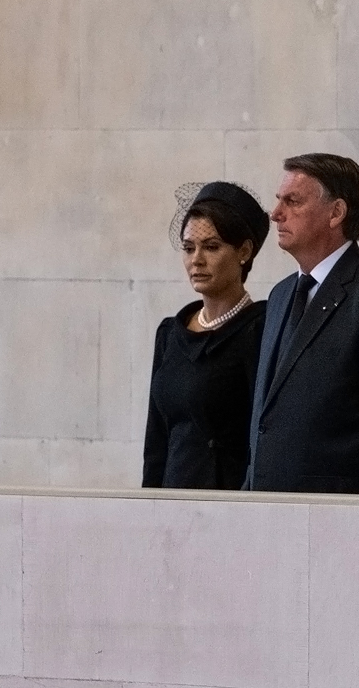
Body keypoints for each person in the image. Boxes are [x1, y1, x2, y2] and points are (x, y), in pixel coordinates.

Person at [244, 153, 359, 495]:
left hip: (338, 524)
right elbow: (265, 423)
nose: (275, 214)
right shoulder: (281, 295)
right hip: (266, 517)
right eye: (278, 200)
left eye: (292, 201)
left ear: (336, 213)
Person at [143, 181, 270, 489]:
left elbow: (264, 438)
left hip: (230, 504)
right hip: (172, 501)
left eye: (211, 247)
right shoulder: (170, 334)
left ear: (244, 251)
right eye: (188, 248)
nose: (196, 259)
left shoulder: (262, 328)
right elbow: (157, 440)